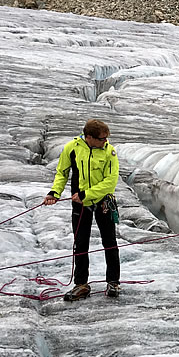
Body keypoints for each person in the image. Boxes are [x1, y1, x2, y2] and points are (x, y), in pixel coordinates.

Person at [43, 119, 121, 301]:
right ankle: (81, 284)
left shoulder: (110, 151)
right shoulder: (72, 148)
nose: (105, 141)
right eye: (102, 139)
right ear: (89, 137)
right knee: (81, 243)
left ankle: (113, 282)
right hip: (80, 203)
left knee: (109, 242)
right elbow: (62, 173)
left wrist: (87, 194)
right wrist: (55, 192)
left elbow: (111, 181)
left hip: (103, 202)